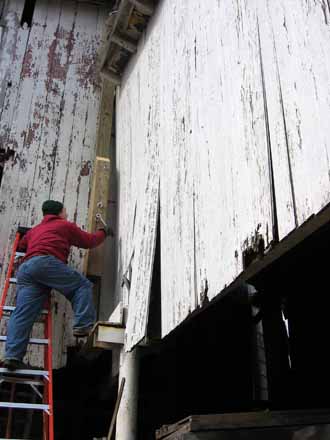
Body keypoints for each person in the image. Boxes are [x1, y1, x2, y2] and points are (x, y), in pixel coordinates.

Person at [0, 200, 112, 371]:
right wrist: (103, 232)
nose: (66, 214)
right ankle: (83, 325)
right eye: (65, 211)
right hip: (45, 264)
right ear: (59, 212)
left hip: (26, 270)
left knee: (23, 313)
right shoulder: (64, 225)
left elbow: (22, 246)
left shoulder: (35, 230)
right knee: (82, 286)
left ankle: (12, 357)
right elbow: (88, 241)